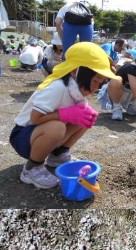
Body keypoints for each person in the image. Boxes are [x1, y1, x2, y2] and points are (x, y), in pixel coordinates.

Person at [9, 42, 118, 189]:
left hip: (38, 133)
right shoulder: (57, 87)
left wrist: (79, 115)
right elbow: (35, 118)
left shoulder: (76, 89)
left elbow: (79, 115)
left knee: (86, 115)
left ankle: (59, 155)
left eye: (100, 83)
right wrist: (64, 114)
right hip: (23, 136)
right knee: (57, 127)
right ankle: (32, 168)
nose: (95, 88)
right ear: (75, 71)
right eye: (94, 81)